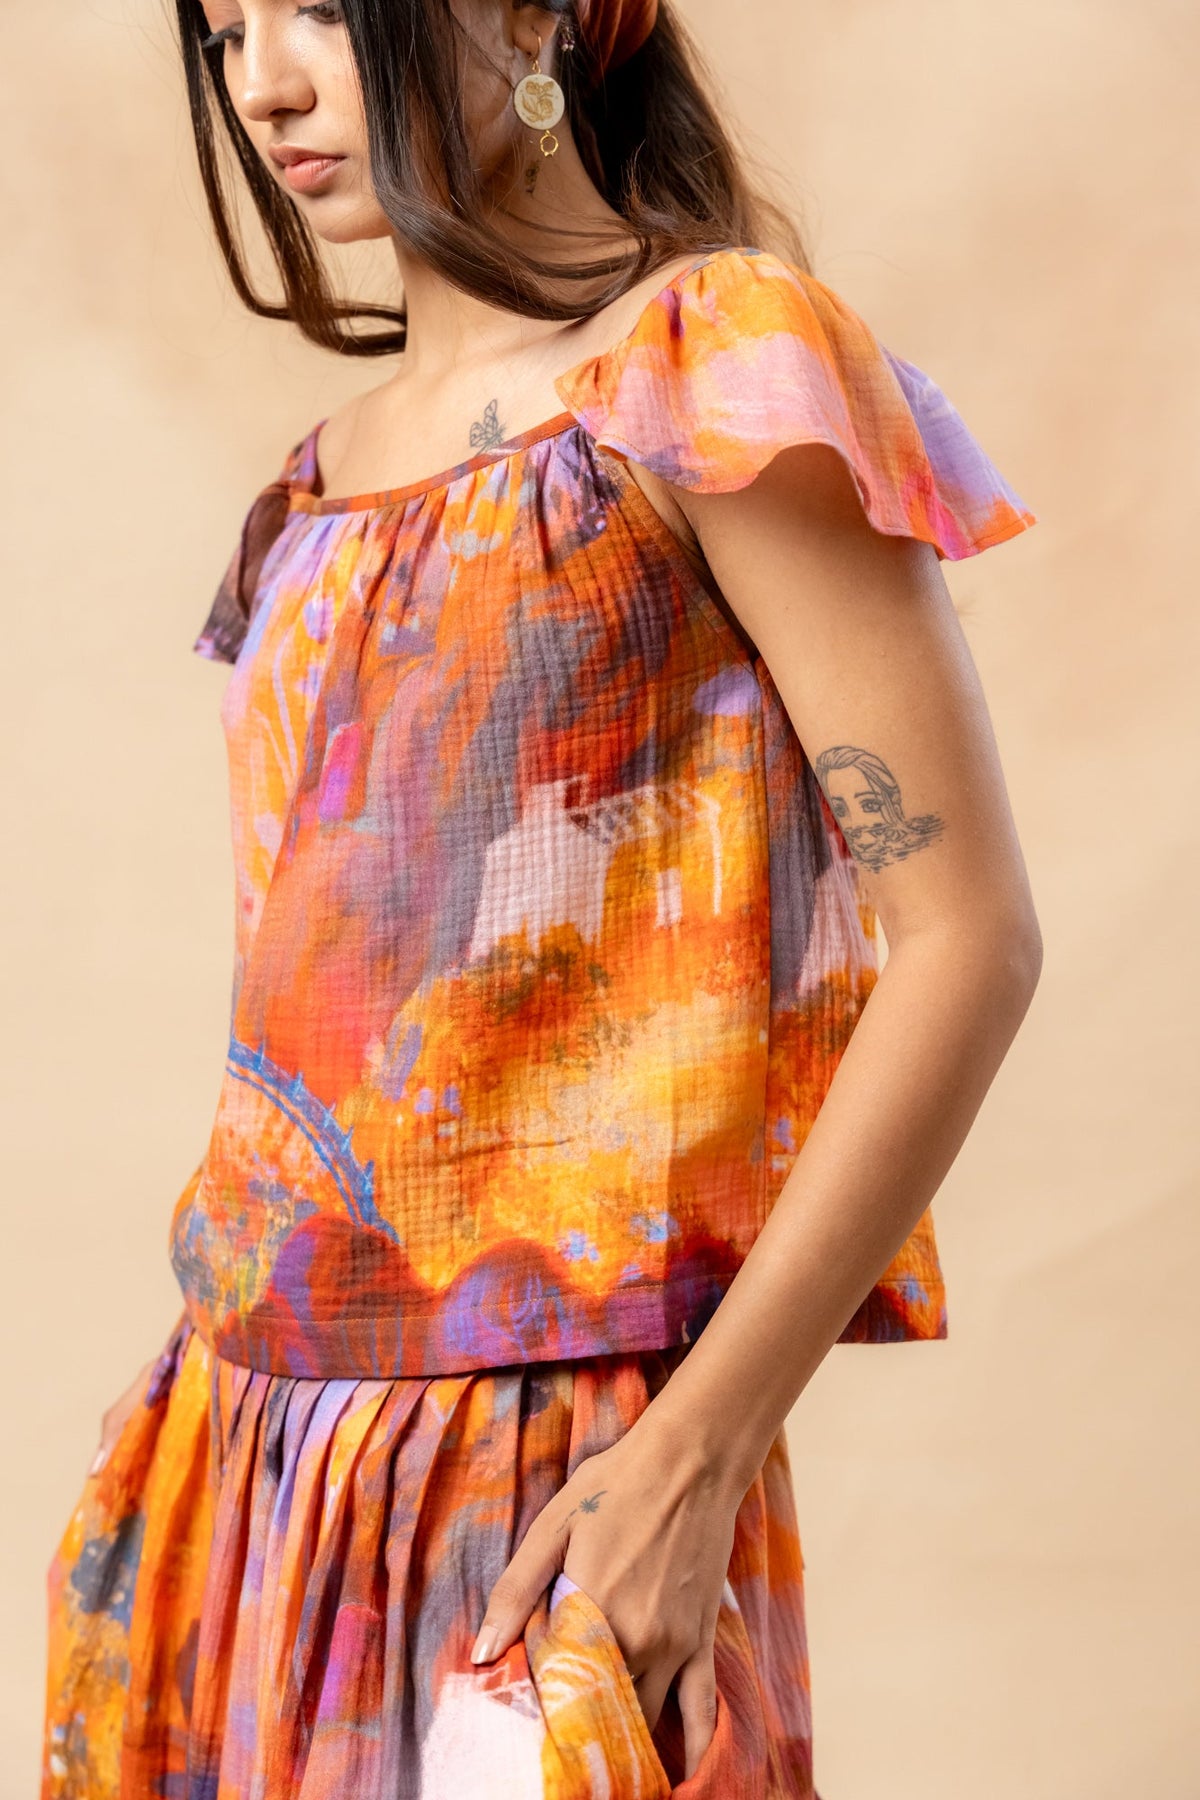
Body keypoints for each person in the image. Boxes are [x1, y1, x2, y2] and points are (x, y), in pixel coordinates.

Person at [40, 0, 1043, 1795]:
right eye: (223, 32)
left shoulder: (707, 365)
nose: (263, 85)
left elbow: (969, 938)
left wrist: (694, 1460)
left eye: (319, 12)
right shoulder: (322, 481)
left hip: (546, 1477)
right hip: (235, 1462)